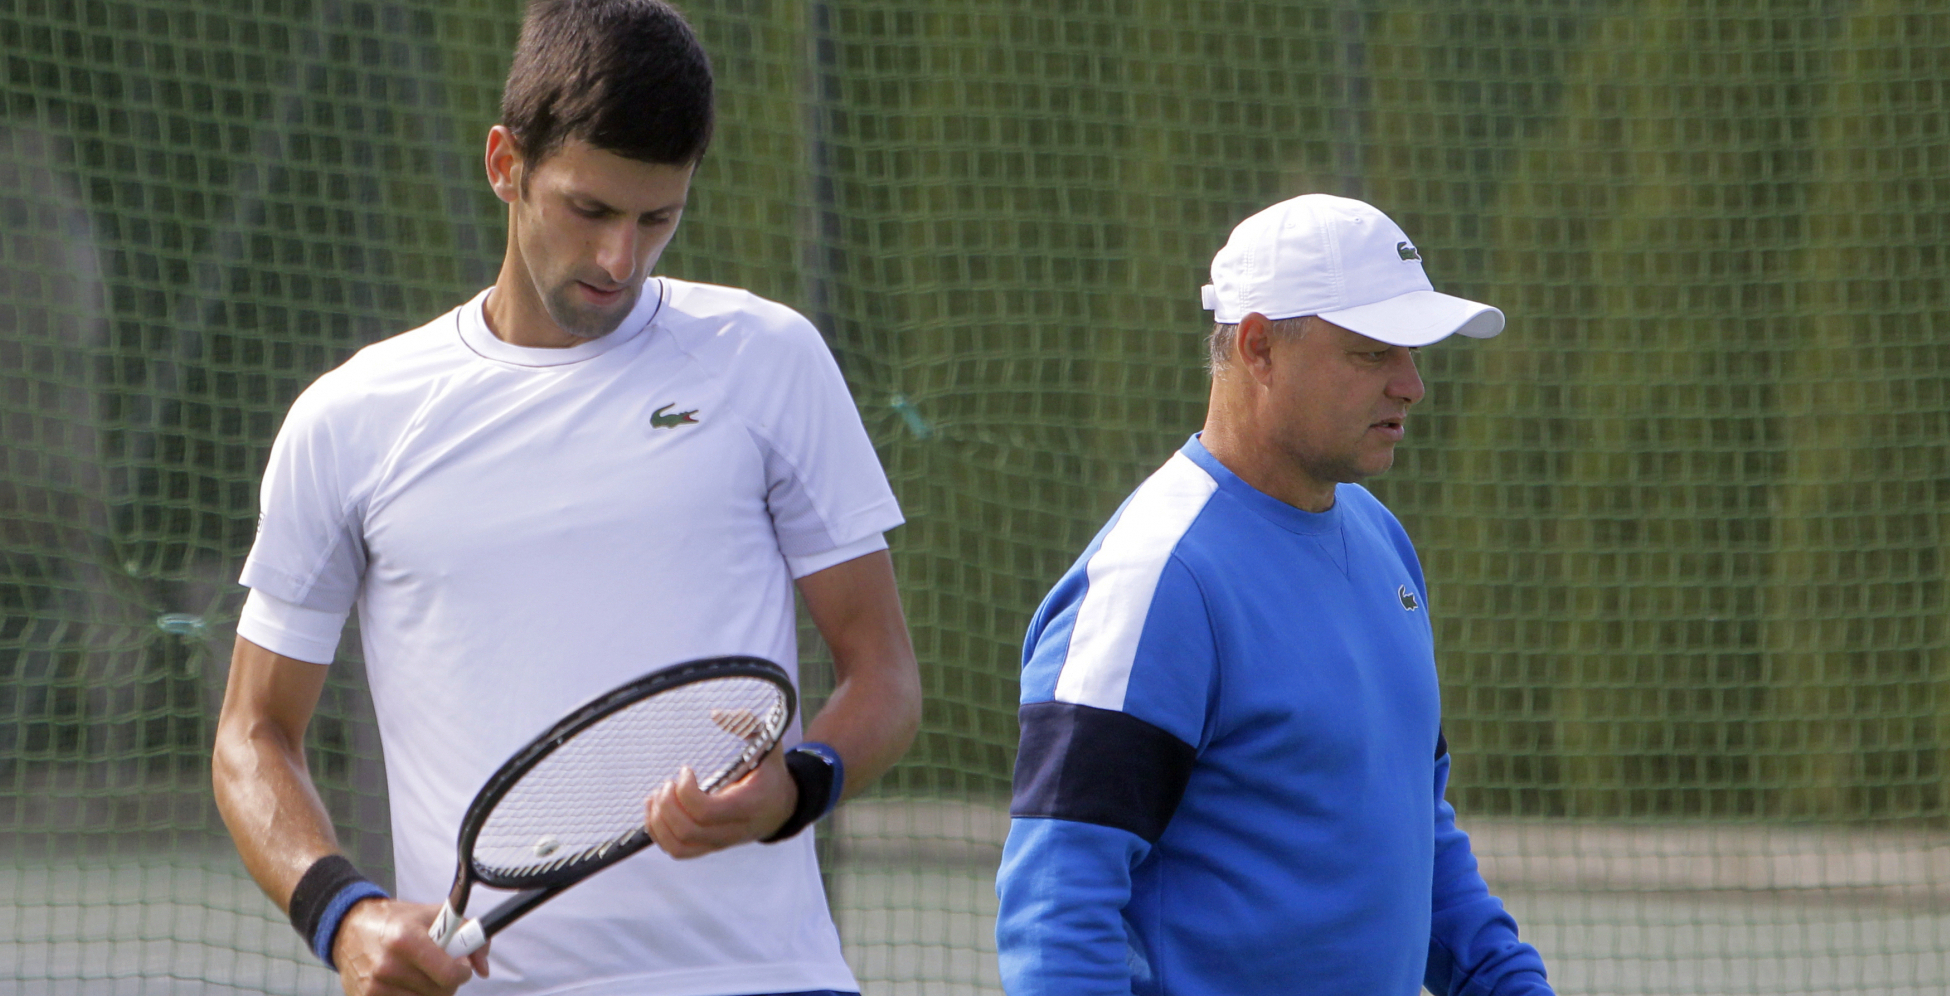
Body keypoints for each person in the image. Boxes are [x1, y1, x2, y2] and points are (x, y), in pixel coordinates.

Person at [210, 3, 921, 995]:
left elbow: (884, 676)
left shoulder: (771, 360)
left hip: (770, 976)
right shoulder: (351, 420)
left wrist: (798, 788)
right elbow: (252, 733)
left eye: (656, 220)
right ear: (506, 163)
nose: (619, 262)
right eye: (589, 211)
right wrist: (346, 915)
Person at [993, 193, 1553, 996]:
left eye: (1414, 352)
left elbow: (1411, 832)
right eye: (1372, 354)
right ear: (1258, 347)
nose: (1413, 385)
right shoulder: (1157, 578)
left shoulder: (1380, 538)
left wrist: (1509, 982)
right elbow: (1057, 909)